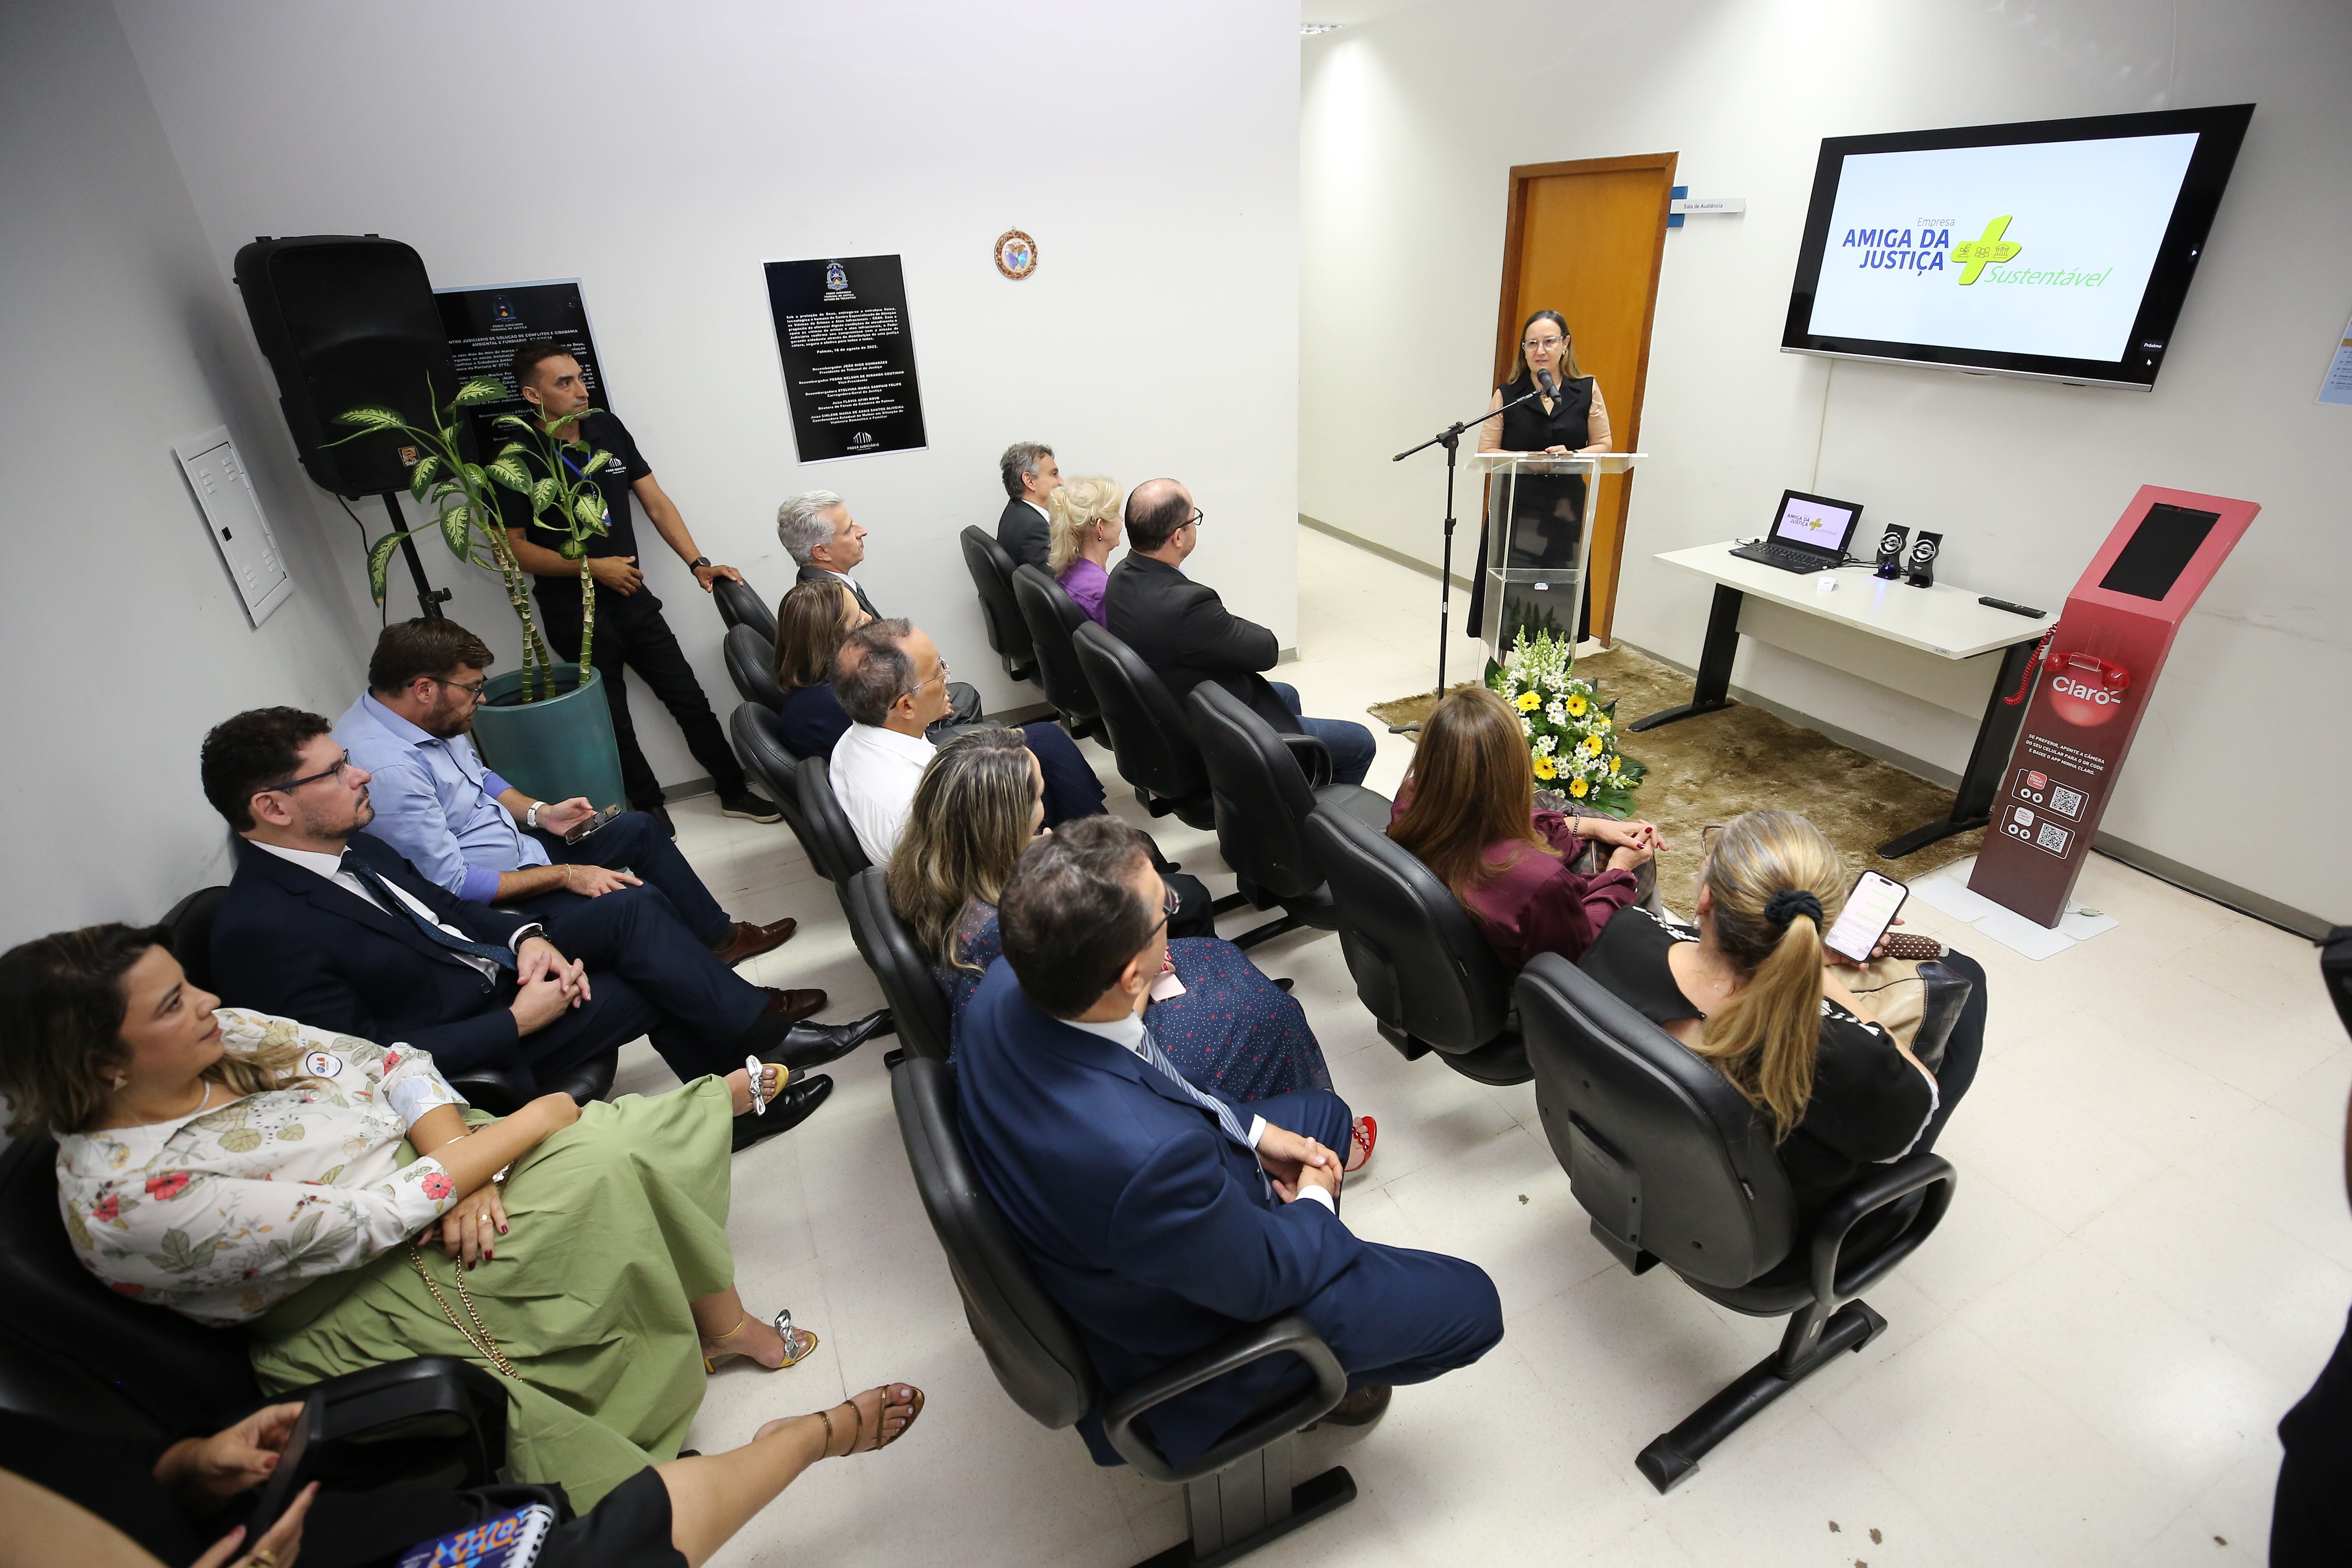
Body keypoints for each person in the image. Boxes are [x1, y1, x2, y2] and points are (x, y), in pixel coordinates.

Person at [0, 924, 926, 1518]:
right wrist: (528, 1123)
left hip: (441, 1169)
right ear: (103, 1062)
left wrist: (469, 1163)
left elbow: (395, 1061)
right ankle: (694, 1127)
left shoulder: (225, 1032)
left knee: (600, 1149)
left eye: (187, 986)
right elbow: (370, 1220)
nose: (207, 1002)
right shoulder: (125, 1197)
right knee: (602, 1148)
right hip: (359, 1286)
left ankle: (712, 1302)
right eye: (173, 1004)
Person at [954, 817, 1502, 1469]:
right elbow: (1261, 1280)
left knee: (1320, 1116)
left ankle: (1331, 1285)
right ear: (1134, 975)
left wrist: (1257, 1134)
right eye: (1166, 913)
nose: (1172, 915)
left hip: (1131, 1230)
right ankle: (1312, 1374)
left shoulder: (1004, 986)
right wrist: (1315, 1203)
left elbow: (1152, 1079)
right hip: (1183, 1337)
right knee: (1474, 1305)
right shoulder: (1147, 1164)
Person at [200, 709, 884, 1132]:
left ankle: (765, 1045)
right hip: (479, 1041)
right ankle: (738, 1105)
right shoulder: (262, 932)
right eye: (335, 772)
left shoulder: (353, 844)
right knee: (653, 976)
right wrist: (519, 1021)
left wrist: (525, 939)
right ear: (274, 808)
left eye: (348, 761)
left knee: (632, 907)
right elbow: (369, 1063)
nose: (362, 777)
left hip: (493, 977)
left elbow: (449, 912)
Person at [887, 735, 1362, 1155]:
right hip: (1099, 1067)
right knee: (1271, 1015)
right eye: (1037, 798)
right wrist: (1142, 975)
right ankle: (1311, 1145)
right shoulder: (1001, 931)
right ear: (1000, 826)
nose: (1046, 810)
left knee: (1221, 957)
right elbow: (1096, 1040)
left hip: (1076, 1028)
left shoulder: (940, 874)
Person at [0, 1375, 919, 1568]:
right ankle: (806, 1439)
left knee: (578, 1543)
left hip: (257, 1534)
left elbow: (107, 1471)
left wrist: (191, 1465)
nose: (200, 1007)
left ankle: (798, 1441)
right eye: (169, 1006)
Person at [1578, 810, 1987, 1221]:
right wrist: (1818, 973)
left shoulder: (1625, 936)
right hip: (1760, 1240)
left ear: (1705, 901)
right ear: (1815, 927)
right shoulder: (1847, 1059)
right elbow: (1923, 1091)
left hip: (1635, 1177)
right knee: (1969, 979)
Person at [338, 618, 796, 968]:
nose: (480, 698)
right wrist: (566, 874)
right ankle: (725, 995)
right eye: (473, 688)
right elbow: (453, 886)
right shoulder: (388, 768)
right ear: (423, 689)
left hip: (522, 848)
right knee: (636, 900)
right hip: (499, 894)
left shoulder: (425, 715)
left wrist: (541, 814)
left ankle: (722, 941)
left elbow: (479, 777)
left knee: (638, 828)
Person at [497, 343, 782, 835]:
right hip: (576, 612)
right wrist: (591, 568)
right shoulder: (515, 459)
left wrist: (699, 563)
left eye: (580, 377)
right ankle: (649, 807)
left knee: (688, 698)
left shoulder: (607, 428)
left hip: (634, 601)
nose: (581, 389)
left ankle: (733, 791)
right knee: (612, 719)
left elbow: (656, 502)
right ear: (532, 394)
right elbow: (515, 550)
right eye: (563, 382)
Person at [1103, 479, 1376, 788]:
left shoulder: (1120, 576)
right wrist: (1223, 621)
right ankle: (1307, 825)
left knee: (1287, 695)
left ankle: (1287, 788)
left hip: (1168, 713)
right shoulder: (1188, 606)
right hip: (1206, 738)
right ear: (1178, 537)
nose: (1196, 526)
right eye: (1194, 519)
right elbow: (1266, 651)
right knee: (1361, 742)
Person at [1388, 686, 1660, 968]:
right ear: (1514, 768)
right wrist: (1620, 871)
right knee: (1644, 877)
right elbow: (1581, 958)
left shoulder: (1412, 798)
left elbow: (1484, 822)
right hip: (1518, 996)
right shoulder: (1538, 881)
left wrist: (1587, 826)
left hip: (1434, 970)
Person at [827, 619, 1105, 865]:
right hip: (986, 868)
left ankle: (1099, 839)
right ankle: (1102, 854)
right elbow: (970, 880)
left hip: (963, 842)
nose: (947, 679)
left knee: (1044, 739)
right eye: (939, 672)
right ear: (907, 707)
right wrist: (1028, 851)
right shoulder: (917, 805)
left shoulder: (853, 738)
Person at [774, 490, 983, 726]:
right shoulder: (830, 607)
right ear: (821, 551)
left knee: (964, 695)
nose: (862, 531)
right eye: (849, 529)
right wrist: (927, 705)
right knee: (966, 699)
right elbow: (869, 688)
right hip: (888, 715)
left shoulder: (828, 588)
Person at [1469, 309, 1613, 641]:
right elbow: (1487, 450)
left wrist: (1573, 455)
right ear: (1524, 350)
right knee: (1512, 577)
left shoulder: (1586, 389)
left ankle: (1555, 656)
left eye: (1549, 341)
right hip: (1516, 504)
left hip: (1567, 505)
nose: (1540, 350)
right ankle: (1504, 653)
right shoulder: (1508, 394)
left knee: (1560, 575)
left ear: (1565, 344)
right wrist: (1525, 458)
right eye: (1532, 343)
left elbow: (1604, 444)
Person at [769, 577, 870, 759]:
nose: (869, 618)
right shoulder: (829, 703)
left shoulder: (817, 682)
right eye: (859, 621)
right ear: (835, 639)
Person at [1047, 474, 1123, 625]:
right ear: (1100, 527)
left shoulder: (1066, 570)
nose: (1122, 519)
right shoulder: (1101, 593)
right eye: (1117, 514)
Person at [994, 440, 1061, 572]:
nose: (1061, 482)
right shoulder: (1035, 529)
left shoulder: (1014, 510)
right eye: (1054, 474)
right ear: (1030, 481)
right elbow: (1049, 587)